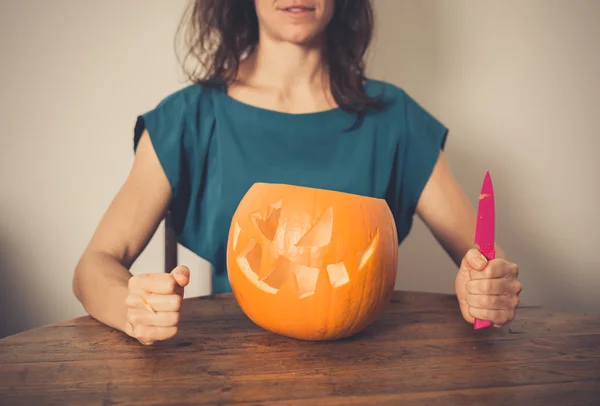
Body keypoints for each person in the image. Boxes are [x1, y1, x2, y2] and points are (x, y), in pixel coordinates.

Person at [72, 0, 522, 346]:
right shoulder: (187, 118)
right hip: (230, 373)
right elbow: (94, 265)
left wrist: (484, 285)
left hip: (374, 380)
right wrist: (131, 308)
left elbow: (487, 260)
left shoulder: (395, 117)